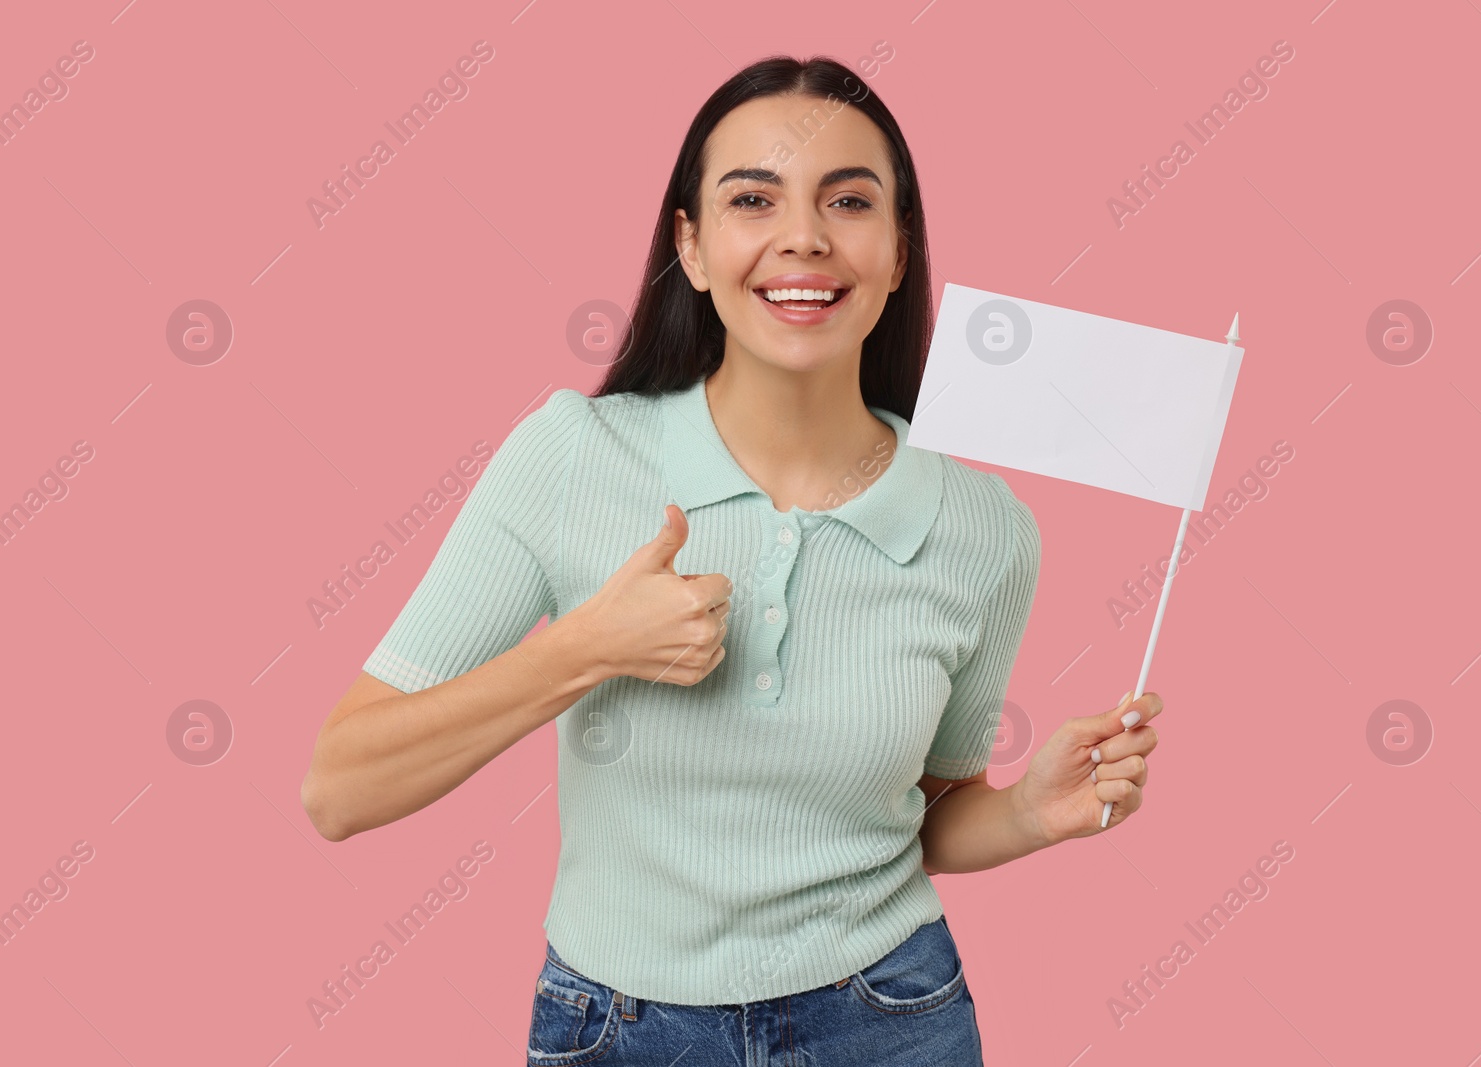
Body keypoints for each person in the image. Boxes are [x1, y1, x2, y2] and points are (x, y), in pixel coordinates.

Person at [300, 53, 1162, 1066]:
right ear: (693, 246)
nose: (803, 235)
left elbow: (923, 814)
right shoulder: (573, 456)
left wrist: (1024, 812)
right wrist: (581, 651)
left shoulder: (985, 528)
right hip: (615, 1031)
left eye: (848, 199)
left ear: (896, 251)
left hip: (888, 1021)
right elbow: (338, 788)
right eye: (753, 198)